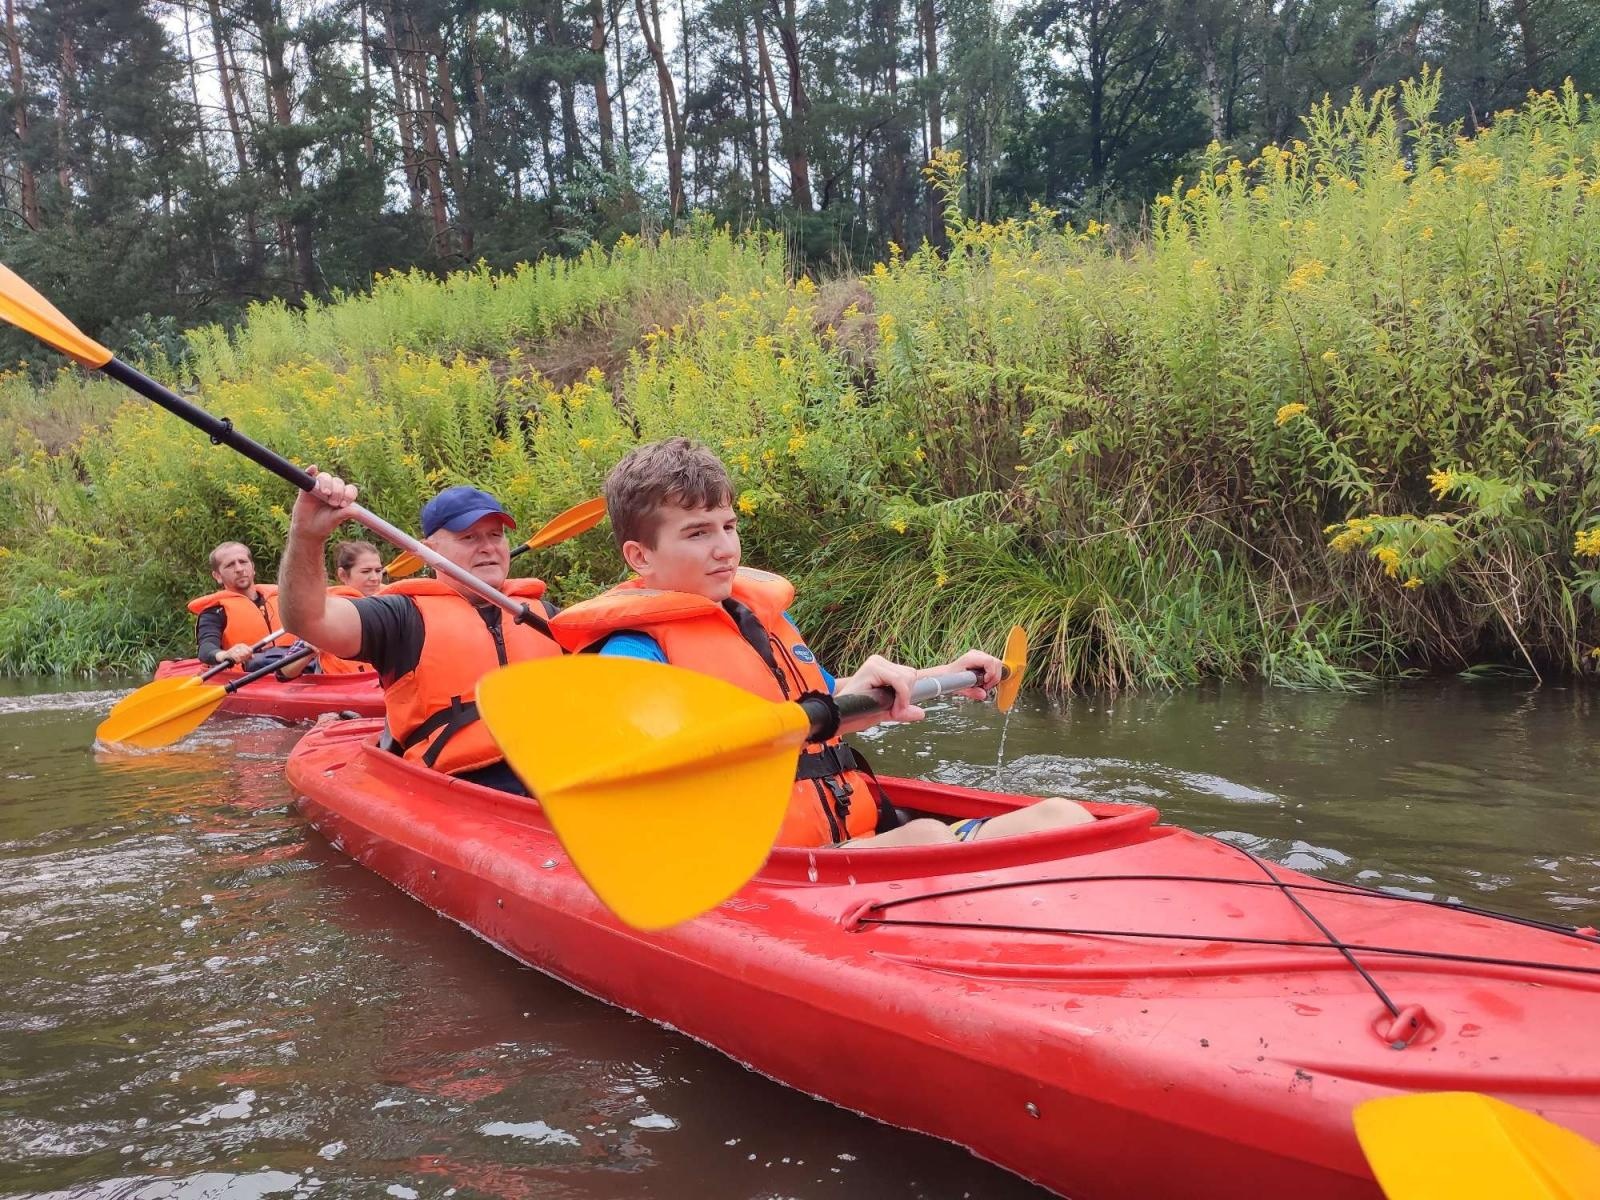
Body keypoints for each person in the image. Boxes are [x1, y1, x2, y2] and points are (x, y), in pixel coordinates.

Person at [550, 437, 1094, 848]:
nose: (725, 549)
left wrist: (941, 675)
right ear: (640, 556)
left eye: (728, 526)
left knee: (1065, 815)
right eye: (697, 533)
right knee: (927, 837)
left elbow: (831, 706)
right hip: (770, 864)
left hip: (847, 837)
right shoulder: (632, 650)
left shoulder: (753, 622)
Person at [279, 476, 562, 789]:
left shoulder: (542, 614)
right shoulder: (401, 615)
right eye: (469, 538)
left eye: (496, 535)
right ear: (429, 551)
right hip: (462, 786)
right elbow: (308, 619)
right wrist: (307, 536)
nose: (488, 547)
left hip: (556, 768)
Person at [189, 541, 308, 677]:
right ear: (218, 576)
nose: (239, 569)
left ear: (253, 567)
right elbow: (206, 648)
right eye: (230, 565)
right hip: (252, 674)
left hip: (298, 665)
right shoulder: (215, 611)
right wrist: (226, 655)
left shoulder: (286, 599)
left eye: (243, 562)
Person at [317, 541, 384, 675]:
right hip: (344, 689)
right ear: (343, 575)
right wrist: (313, 646)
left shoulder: (391, 606)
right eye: (366, 571)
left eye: (378, 571)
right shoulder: (327, 613)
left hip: (380, 686)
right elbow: (286, 672)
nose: (375, 578)